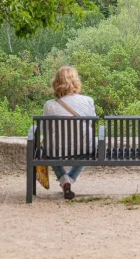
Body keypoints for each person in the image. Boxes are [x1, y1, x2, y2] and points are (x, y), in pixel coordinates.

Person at [42, 66, 97, 200]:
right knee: (88, 147)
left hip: (56, 150)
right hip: (84, 149)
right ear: (76, 81)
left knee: (49, 150)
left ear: (56, 82)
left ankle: (65, 180)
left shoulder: (49, 105)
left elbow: (45, 129)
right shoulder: (88, 101)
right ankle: (69, 179)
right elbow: (92, 124)